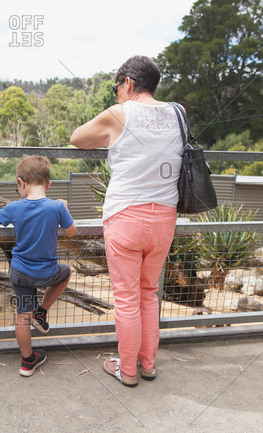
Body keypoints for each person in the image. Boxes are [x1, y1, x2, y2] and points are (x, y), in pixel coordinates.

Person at [70, 55, 182, 387]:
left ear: (128, 84)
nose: (117, 93)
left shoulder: (119, 113)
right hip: (165, 218)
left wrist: (111, 138)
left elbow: (77, 138)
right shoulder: (178, 112)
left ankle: (127, 370)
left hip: (125, 218)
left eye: (117, 87)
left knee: (128, 298)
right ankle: (147, 364)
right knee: (149, 292)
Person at [0, 155, 77, 376]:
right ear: (48, 185)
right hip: (46, 274)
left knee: (22, 315)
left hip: (20, 273)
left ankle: (27, 362)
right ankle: (41, 312)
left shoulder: (15, 207)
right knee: (66, 272)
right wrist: (64, 208)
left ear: (21, 182)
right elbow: (72, 232)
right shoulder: (56, 207)